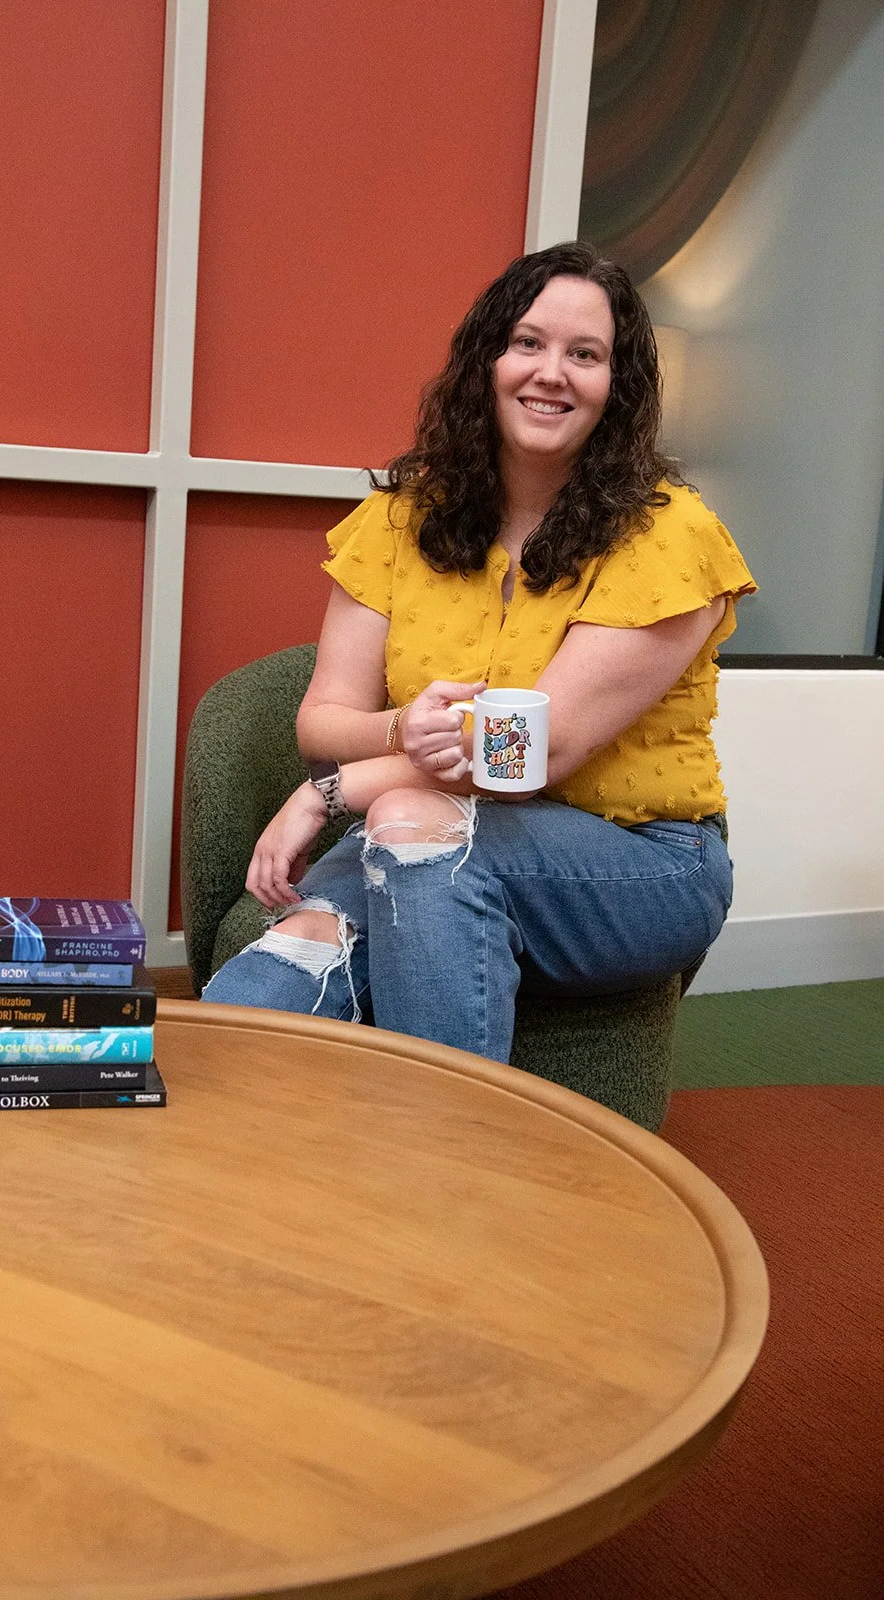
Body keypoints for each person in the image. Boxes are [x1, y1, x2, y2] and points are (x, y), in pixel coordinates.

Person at [201, 241, 756, 1063]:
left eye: (585, 355)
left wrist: (330, 793)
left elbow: (532, 753)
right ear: (486, 359)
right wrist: (398, 730)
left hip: (641, 862)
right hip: (425, 822)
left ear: (618, 387)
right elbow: (323, 718)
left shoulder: (670, 535)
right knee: (300, 949)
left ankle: (452, 1172)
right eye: (527, 343)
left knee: (408, 821)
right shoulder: (398, 521)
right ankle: (160, 1130)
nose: (550, 372)